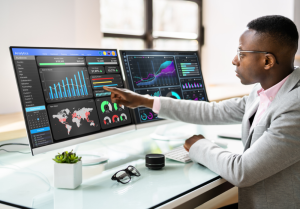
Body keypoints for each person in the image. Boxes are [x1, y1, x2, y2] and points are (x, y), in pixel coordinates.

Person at [104, 15, 300, 209]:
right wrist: (143, 100)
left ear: (267, 61)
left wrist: (200, 146)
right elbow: (212, 111)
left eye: (241, 53)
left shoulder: (295, 106)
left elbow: (243, 171)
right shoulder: (265, 91)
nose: (234, 60)